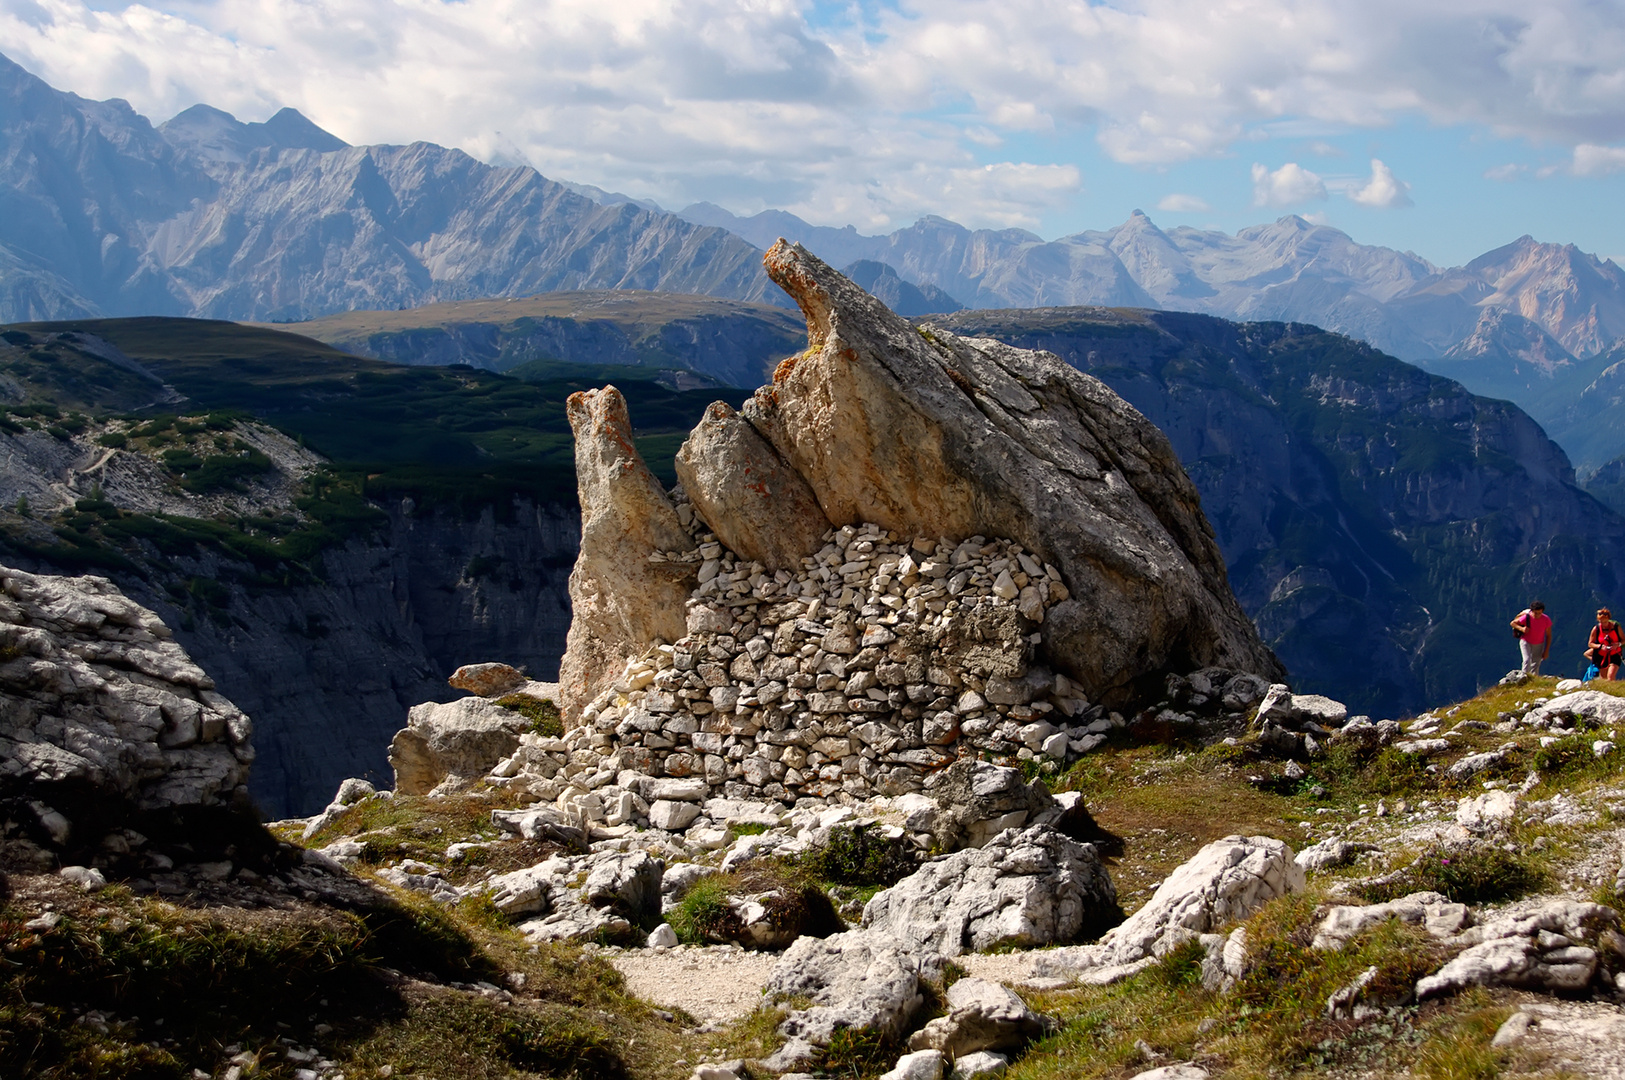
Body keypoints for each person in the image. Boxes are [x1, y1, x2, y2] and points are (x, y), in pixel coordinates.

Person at [1511, 600, 1552, 675]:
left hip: (1539, 644)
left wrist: (1546, 650)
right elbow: (1513, 623)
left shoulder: (1546, 620)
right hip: (1526, 642)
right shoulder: (1527, 617)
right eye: (1535, 613)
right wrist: (1522, 629)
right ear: (1532, 611)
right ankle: (1523, 678)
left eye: (1540, 613)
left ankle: (1533, 681)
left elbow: (1548, 635)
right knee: (1527, 660)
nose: (1537, 615)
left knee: (1536, 663)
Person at [1589, 608, 1622, 681]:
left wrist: (1618, 644)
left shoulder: (1616, 627)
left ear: (1609, 619)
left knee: (1610, 676)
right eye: (1600, 621)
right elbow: (1590, 644)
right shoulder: (1596, 629)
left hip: (1615, 654)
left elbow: (1623, 640)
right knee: (1604, 678)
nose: (1602, 624)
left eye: (1604, 621)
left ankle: (1613, 690)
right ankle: (1611, 690)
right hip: (1601, 656)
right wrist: (1600, 646)